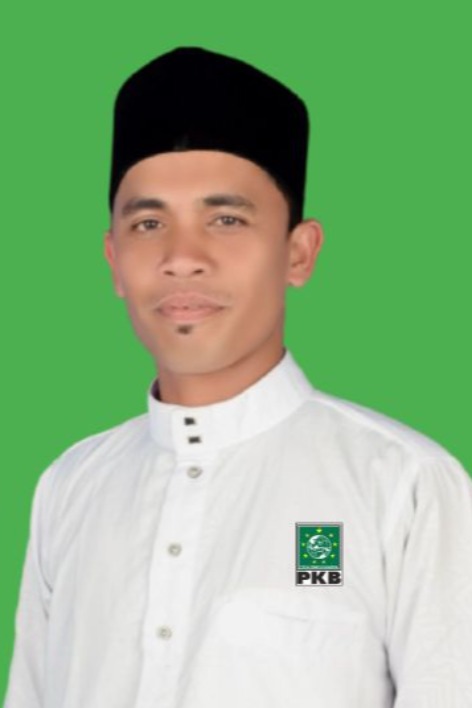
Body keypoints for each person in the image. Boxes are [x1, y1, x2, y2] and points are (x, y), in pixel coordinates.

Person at [4, 46, 472, 708]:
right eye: (148, 223)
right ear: (114, 259)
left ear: (298, 252)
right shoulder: (70, 487)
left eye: (226, 220)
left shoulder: (401, 486)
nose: (182, 258)